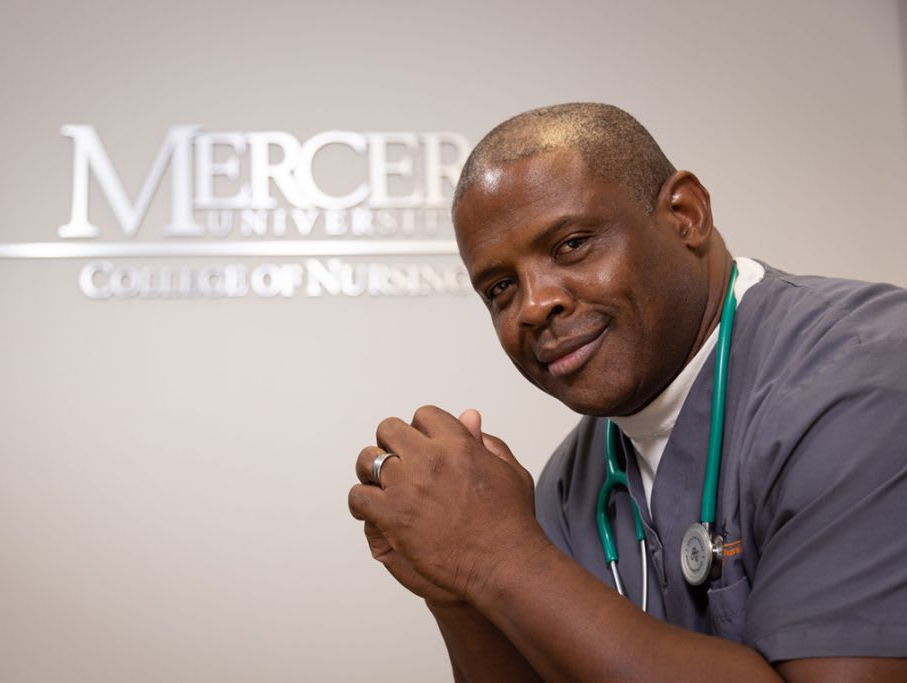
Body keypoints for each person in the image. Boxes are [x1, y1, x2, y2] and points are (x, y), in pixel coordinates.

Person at [347, 103, 907, 682]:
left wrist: (498, 553)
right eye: (501, 287)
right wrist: (457, 584)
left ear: (685, 215)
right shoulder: (574, 478)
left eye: (571, 244)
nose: (535, 305)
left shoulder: (866, 379)